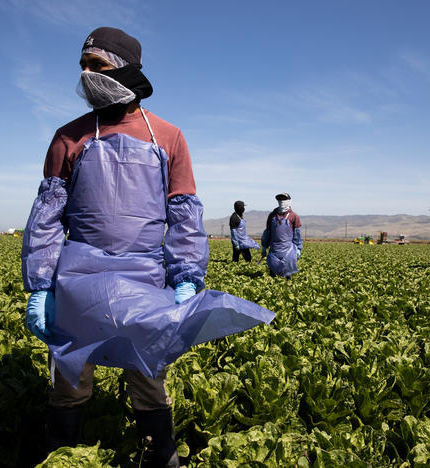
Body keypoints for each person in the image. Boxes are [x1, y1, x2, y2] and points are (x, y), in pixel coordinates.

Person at [20, 27, 274, 466]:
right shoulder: (69, 137)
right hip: (78, 276)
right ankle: (63, 454)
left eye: (96, 65)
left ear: (125, 68)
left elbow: (183, 214)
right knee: (70, 377)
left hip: (144, 276)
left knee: (148, 373)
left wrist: (187, 278)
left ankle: (161, 455)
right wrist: (41, 285)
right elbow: (46, 216)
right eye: (82, 65)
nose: (85, 74)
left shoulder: (168, 137)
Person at [260, 193, 302, 278]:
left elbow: (297, 234)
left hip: (288, 249)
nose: (281, 201)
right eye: (279, 200)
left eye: (284, 199)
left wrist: (298, 247)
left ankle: (287, 286)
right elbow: (267, 232)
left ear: (289, 201)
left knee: (287, 272)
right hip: (274, 248)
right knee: (272, 270)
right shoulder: (272, 215)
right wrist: (264, 246)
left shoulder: (294, 216)